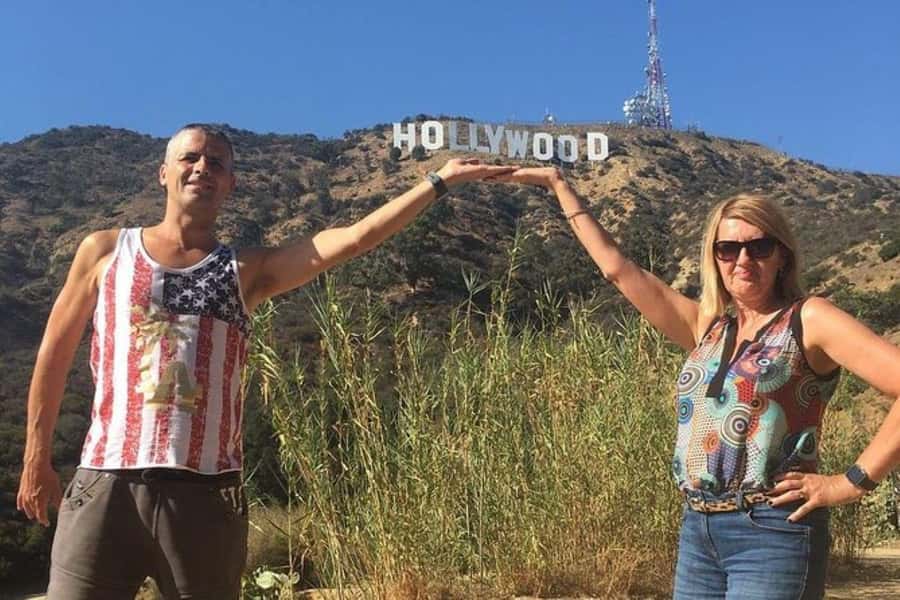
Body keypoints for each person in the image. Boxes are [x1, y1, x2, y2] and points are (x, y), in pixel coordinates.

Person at [16, 123, 515, 600]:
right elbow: (54, 355)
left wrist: (439, 180)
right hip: (107, 482)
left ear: (230, 183)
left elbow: (355, 237)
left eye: (216, 162)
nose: (201, 168)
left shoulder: (247, 271)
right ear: (163, 173)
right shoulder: (105, 251)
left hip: (206, 494)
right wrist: (36, 457)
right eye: (188, 158)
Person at [493, 167, 900, 599]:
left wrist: (852, 481)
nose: (743, 260)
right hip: (698, 528)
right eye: (728, 249)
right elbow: (617, 269)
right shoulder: (705, 326)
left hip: (774, 529)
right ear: (714, 257)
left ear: (782, 255)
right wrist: (558, 185)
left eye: (758, 246)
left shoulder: (809, 319)